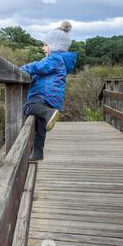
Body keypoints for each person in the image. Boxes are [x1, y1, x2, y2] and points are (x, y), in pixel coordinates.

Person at [20, 21, 77, 162]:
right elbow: (43, 74)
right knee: (40, 126)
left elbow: (39, 67)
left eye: (45, 44)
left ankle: (48, 113)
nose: (43, 48)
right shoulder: (60, 60)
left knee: (27, 107)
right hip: (52, 97)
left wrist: (22, 69)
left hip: (44, 95)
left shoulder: (54, 59)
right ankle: (38, 153)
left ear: (53, 45)